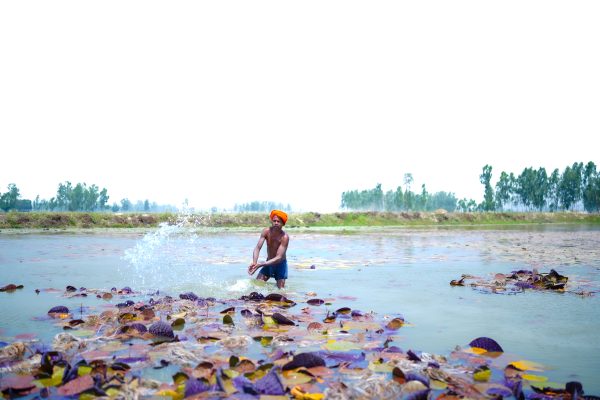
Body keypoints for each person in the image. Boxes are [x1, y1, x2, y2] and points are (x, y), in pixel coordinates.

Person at [248, 209, 290, 288]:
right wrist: (254, 263)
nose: (276, 223)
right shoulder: (266, 231)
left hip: (280, 265)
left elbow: (278, 257)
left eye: (278, 221)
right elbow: (257, 248)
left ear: (283, 224)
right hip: (268, 263)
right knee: (256, 286)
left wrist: (260, 264)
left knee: (281, 291)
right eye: (274, 221)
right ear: (271, 221)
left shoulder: (285, 237)